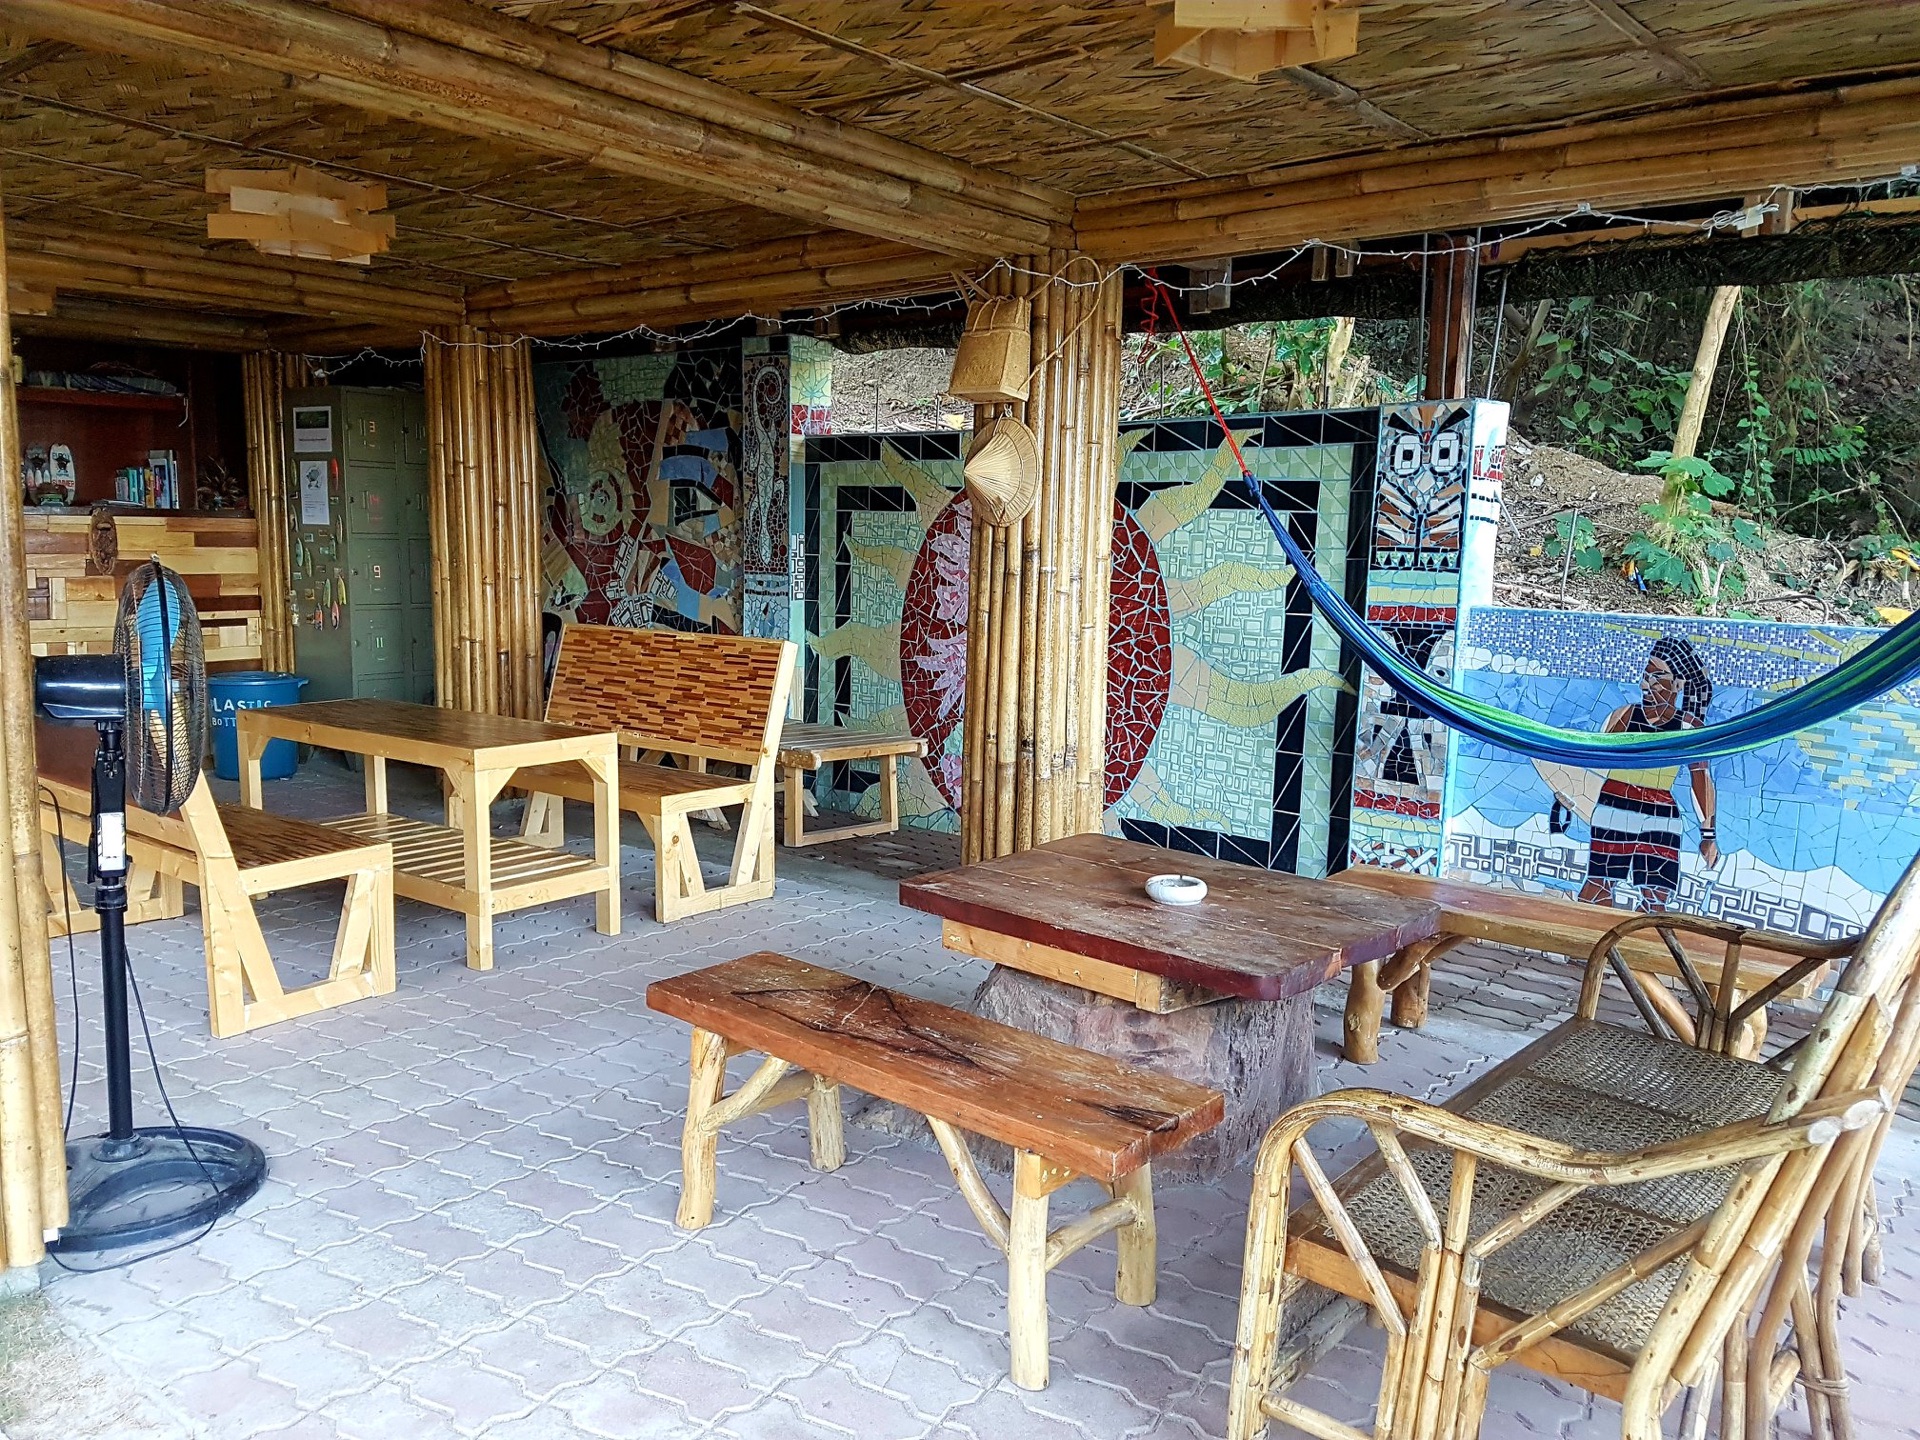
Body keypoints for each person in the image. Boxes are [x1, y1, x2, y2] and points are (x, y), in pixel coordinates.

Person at [1577, 635, 1719, 910]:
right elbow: (1594, 762)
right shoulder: (1625, 717)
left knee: (1656, 899)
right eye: (1645, 676)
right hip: (1614, 806)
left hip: (1661, 817)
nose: (1645, 685)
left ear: (1678, 684)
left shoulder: (1689, 728)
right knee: (1597, 888)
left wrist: (1708, 836)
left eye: (1656, 677)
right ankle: (1586, 947)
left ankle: (1635, 951)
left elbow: (1701, 779)